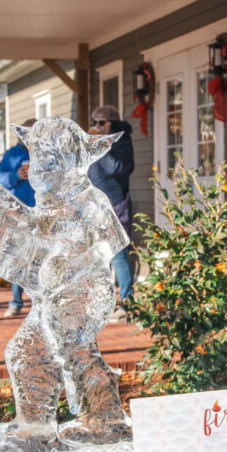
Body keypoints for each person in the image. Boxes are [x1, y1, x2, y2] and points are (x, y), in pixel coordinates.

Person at [87, 105, 135, 315]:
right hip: (94, 206)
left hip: (116, 205)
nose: (96, 126)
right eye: (94, 122)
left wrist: (99, 143)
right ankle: (103, 303)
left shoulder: (121, 141)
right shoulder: (93, 143)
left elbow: (115, 168)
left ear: (112, 123)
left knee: (118, 256)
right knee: (97, 258)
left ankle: (128, 303)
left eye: (101, 122)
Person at [0, 119, 36, 316]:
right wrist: (16, 176)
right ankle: (16, 301)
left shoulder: (47, 152)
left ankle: (39, 302)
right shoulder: (12, 155)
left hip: (40, 212)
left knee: (38, 259)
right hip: (17, 212)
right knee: (18, 258)